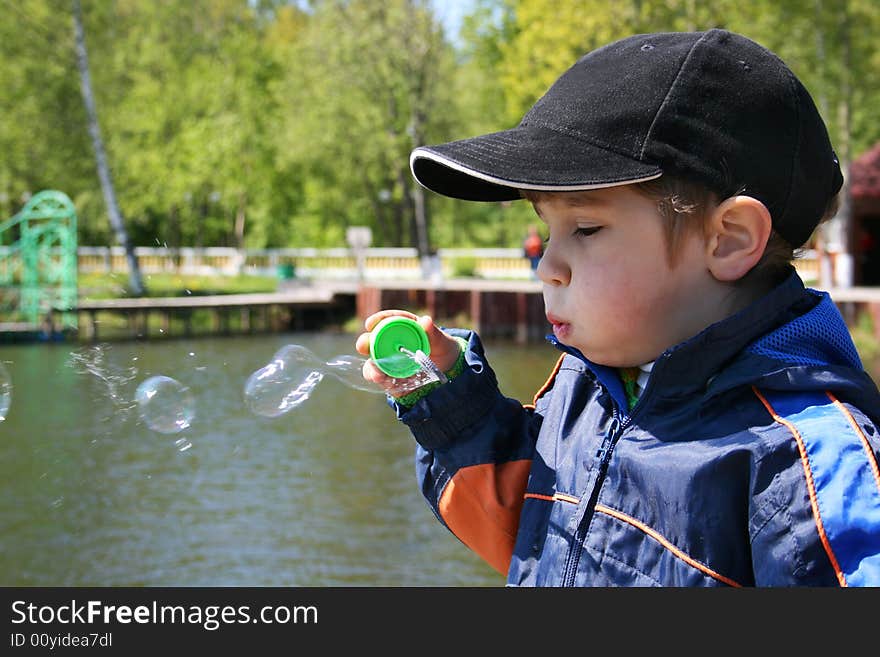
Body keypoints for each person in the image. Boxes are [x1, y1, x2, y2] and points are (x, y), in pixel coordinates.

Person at [356, 29, 880, 586]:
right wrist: (454, 407)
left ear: (728, 239)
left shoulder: (809, 464)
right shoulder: (587, 388)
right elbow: (537, 540)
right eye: (546, 229)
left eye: (585, 227)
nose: (546, 266)